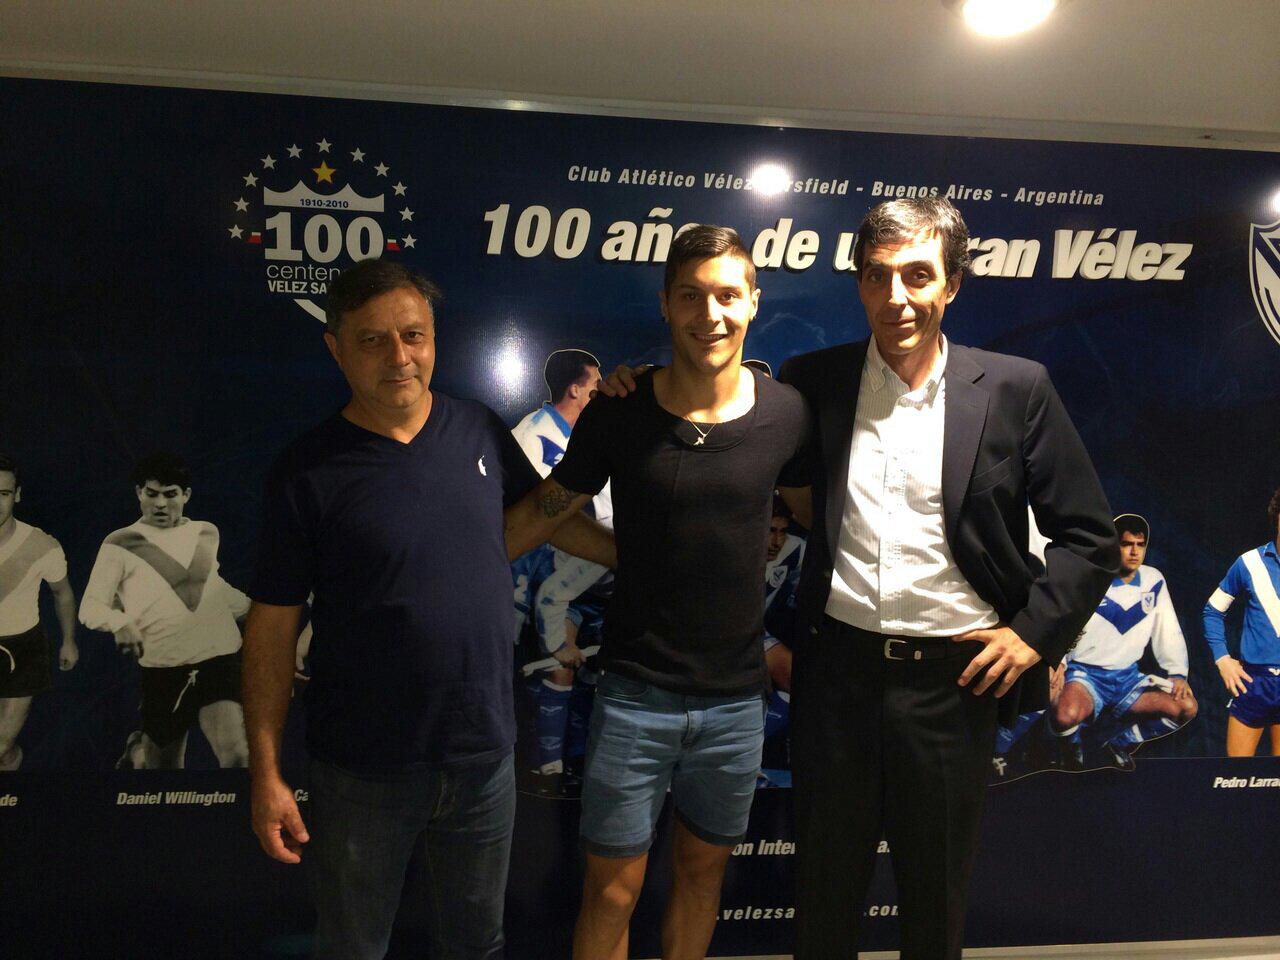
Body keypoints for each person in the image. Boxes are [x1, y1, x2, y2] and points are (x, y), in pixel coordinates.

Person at [774, 198, 1117, 960]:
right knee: (822, 904)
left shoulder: (1015, 389)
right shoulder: (814, 380)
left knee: (934, 911)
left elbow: (1090, 538)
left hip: (952, 689)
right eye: (876, 276)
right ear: (859, 283)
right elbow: (734, 424)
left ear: (953, 284)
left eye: (917, 275)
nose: (895, 297)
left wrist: (1031, 637)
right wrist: (640, 390)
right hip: (836, 682)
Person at [241, 257, 612, 960]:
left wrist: (630, 550)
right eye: (373, 340)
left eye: (413, 335)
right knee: (353, 948)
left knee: (476, 945)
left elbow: (539, 518)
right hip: (361, 770)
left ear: (434, 337)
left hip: (482, 757)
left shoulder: (477, 429)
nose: (400, 356)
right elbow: (271, 627)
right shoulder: (306, 470)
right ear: (335, 348)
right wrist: (265, 771)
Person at [503, 225, 811, 960]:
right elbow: (550, 511)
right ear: (667, 305)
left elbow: (822, 520)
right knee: (611, 893)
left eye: (728, 295)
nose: (711, 314)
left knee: (701, 880)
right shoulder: (619, 409)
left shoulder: (788, 415)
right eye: (691, 296)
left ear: (754, 302)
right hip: (635, 697)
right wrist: (457, 559)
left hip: (735, 703)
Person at [80, 451, 250, 769]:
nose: (160, 504)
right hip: (163, 669)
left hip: (217, 660)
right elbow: (90, 606)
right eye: (152, 493)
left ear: (186, 495)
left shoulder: (207, 532)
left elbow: (208, 587)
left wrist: (256, 610)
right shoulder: (119, 543)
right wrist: (119, 622)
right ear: (138, 493)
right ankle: (139, 752)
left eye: (170, 494)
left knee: (238, 757)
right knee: (164, 770)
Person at [511, 348, 614, 786]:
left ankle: (566, 762)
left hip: (586, 574)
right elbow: (534, 519)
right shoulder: (532, 436)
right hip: (530, 576)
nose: (601, 392)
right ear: (575, 389)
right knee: (541, 665)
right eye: (595, 385)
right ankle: (539, 768)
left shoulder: (584, 437)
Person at [1045, 514, 1197, 771]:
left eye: (1140, 545)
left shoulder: (1153, 580)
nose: (1135, 552)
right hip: (1086, 675)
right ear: (1113, 545)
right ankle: (1070, 751)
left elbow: (1168, 629)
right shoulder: (1089, 577)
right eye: (1127, 544)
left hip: (1128, 678)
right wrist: (1058, 661)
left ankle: (1118, 743)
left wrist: (1177, 673)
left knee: (1186, 707)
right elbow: (1064, 621)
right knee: (1064, 715)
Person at [0, 454, 78, 771]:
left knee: (1, 745)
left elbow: (63, 594)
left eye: (3, 493)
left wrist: (69, 641)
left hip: (23, 649)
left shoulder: (42, 546)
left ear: (17, 495)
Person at [1203, 486, 1280, 757]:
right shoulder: (1248, 563)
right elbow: (1212, 611)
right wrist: (1222, 659)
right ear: (1277, 517)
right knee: (1235, 776)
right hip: (1253, 682)